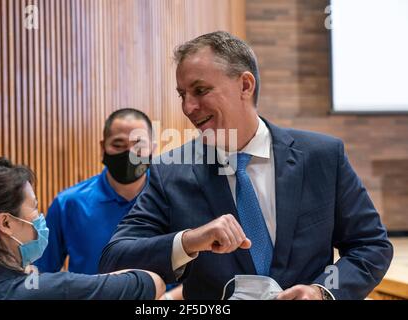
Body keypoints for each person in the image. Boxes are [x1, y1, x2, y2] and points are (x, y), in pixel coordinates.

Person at [99, 31, 393, 300]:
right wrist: (189, 240)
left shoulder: (323, 157)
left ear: (245, 85)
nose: (188, 108)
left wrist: (323, 290)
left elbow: (370, 246)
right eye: (182, 95)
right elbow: (116, 256)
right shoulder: (170, 171)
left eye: (200, 91)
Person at [0, 157, 165, 300]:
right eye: (35, 207)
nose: (40, 217)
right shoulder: (50, 289)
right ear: (6, 223)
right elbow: (150, 283)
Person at [35, 108, 155, 275]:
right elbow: (41, 273)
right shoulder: (68, 204)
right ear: (103, 147)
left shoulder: (174, 197)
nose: (130, 153)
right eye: (118, 145)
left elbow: (198, 273)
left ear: (153, 149)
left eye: (139, 145)